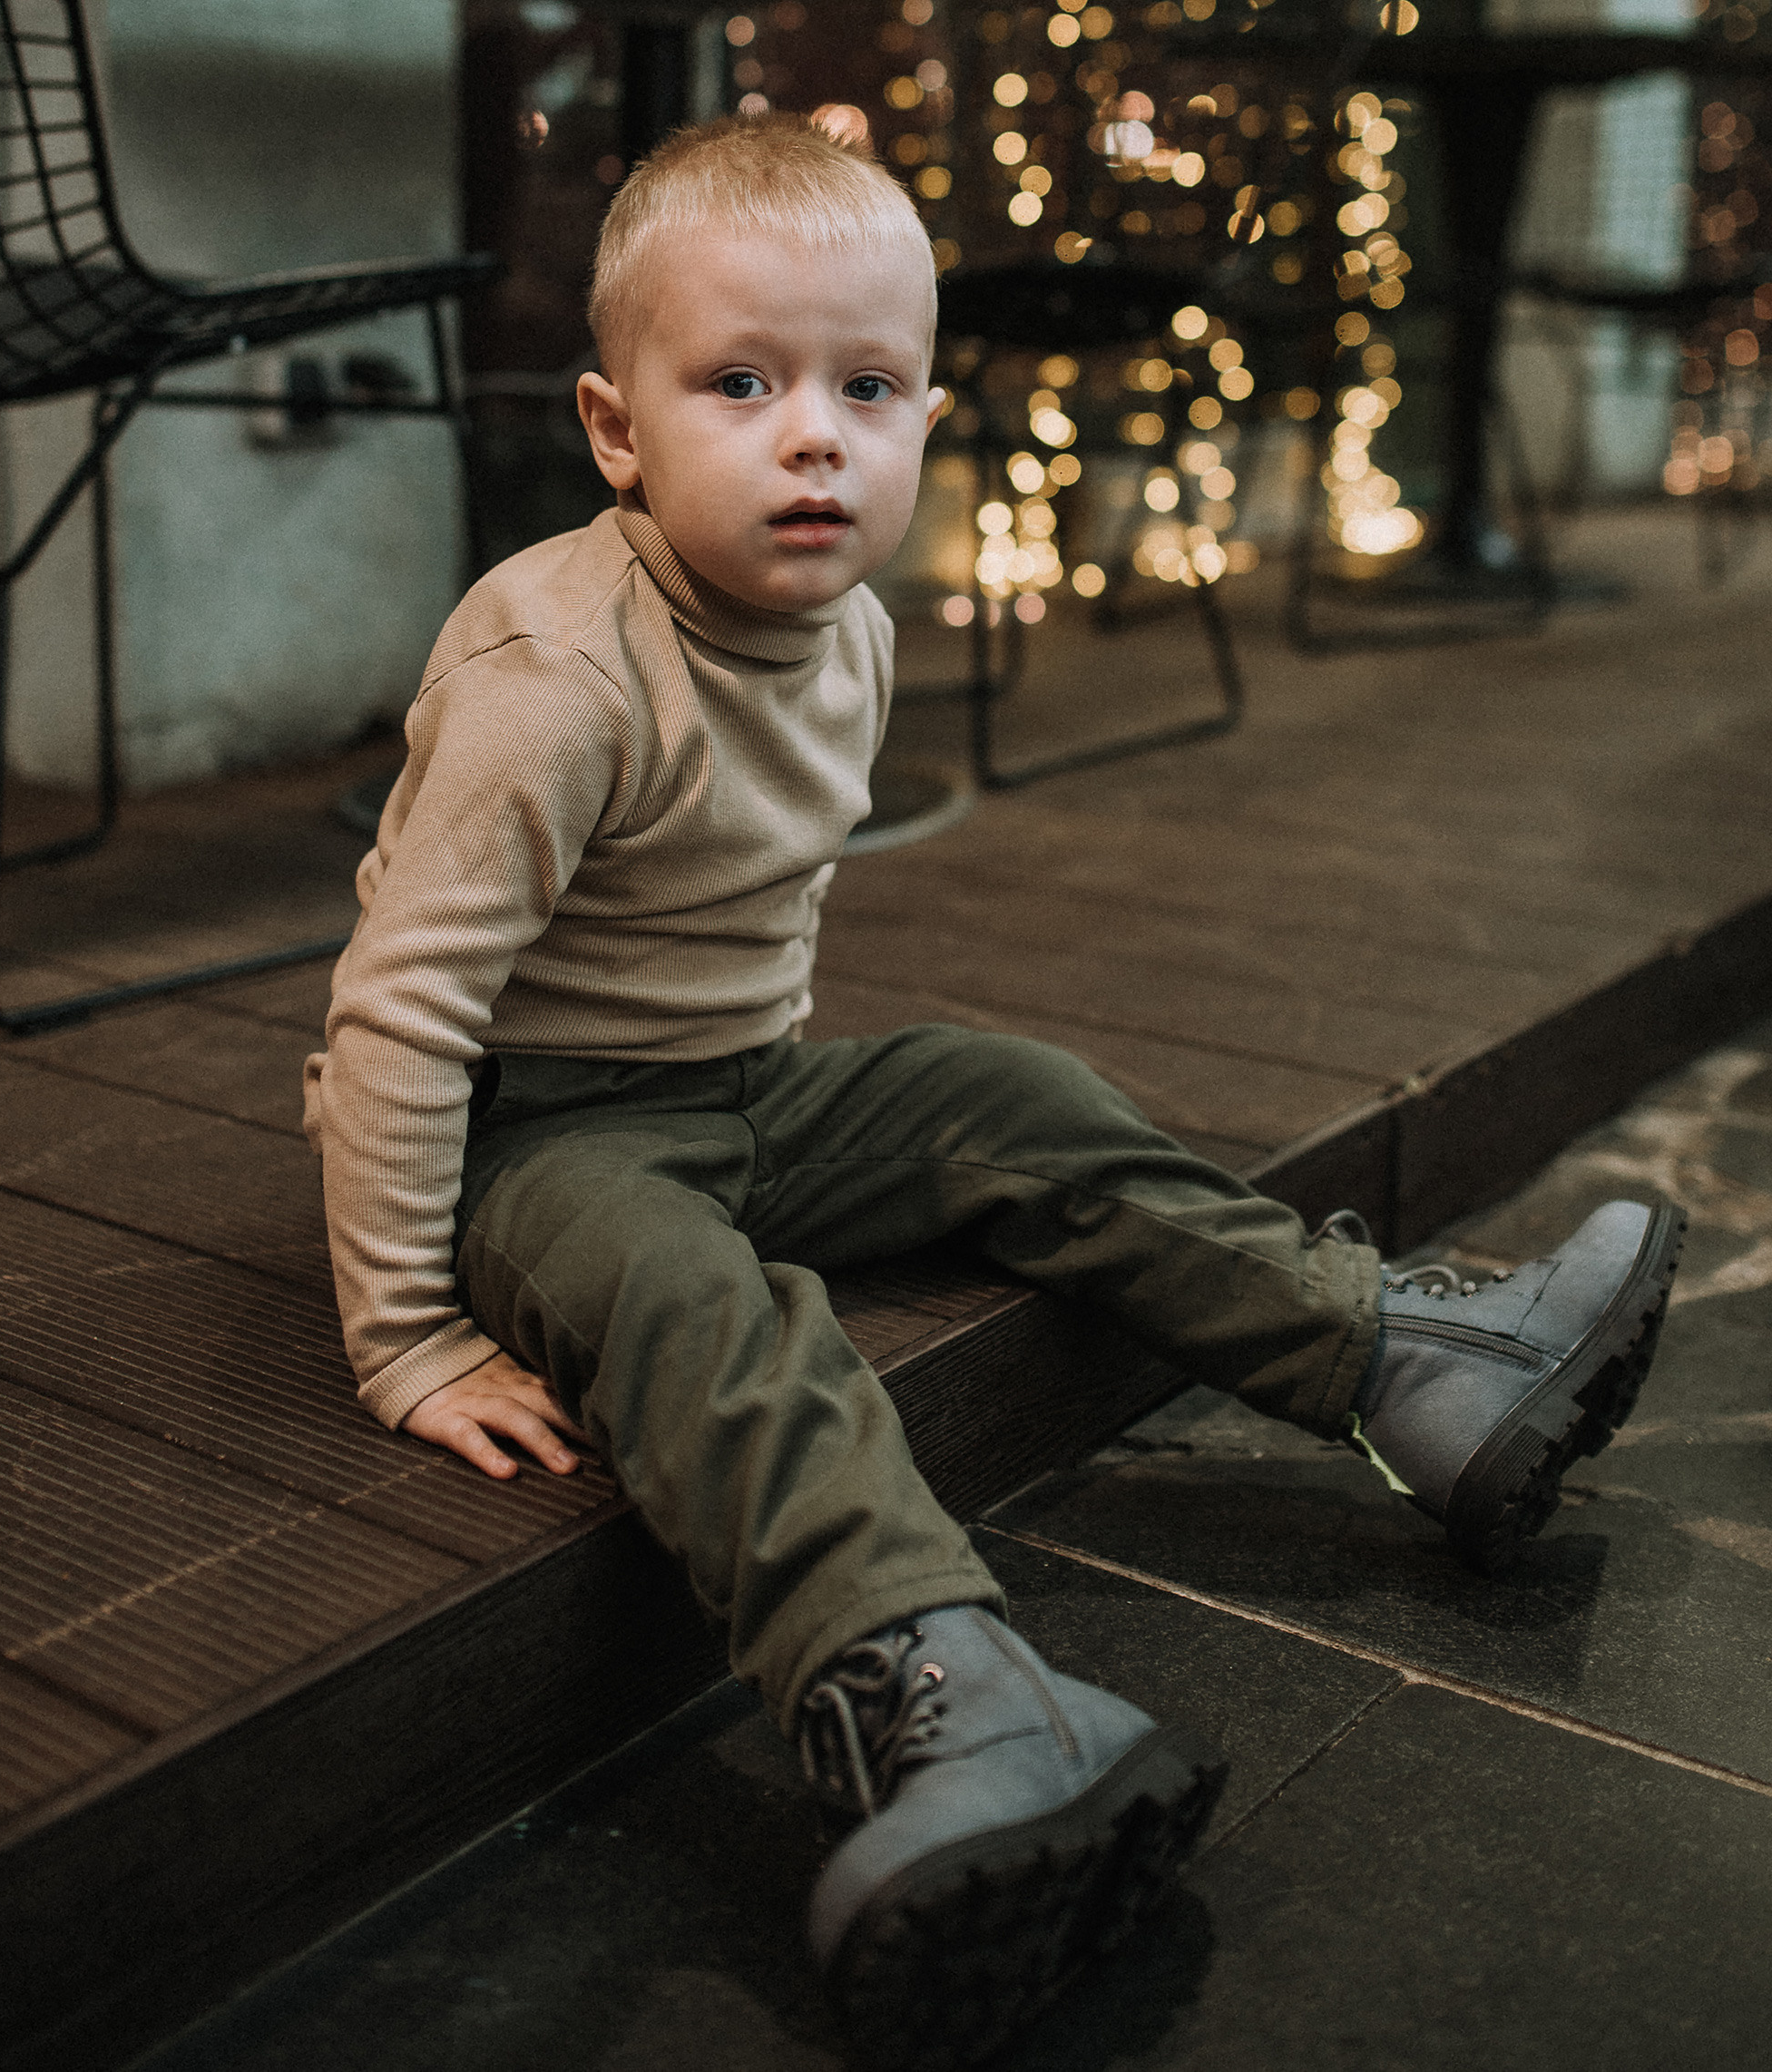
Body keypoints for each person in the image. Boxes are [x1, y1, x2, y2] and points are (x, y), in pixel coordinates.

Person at [306, 105, 1683, 2066]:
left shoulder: (849, 625)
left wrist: (786, 1112)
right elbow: (400, 1013)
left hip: (732, 1091)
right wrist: (405, 1336)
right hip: (518, 1138)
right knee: (707, 1304)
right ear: (617, 430)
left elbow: (742, 941)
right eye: (744, 384)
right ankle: (925, 1695)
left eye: (868, 388)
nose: (815, 436)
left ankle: (1404, 1361)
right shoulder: (556, 668)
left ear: (927, 418)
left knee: (997, 1087)